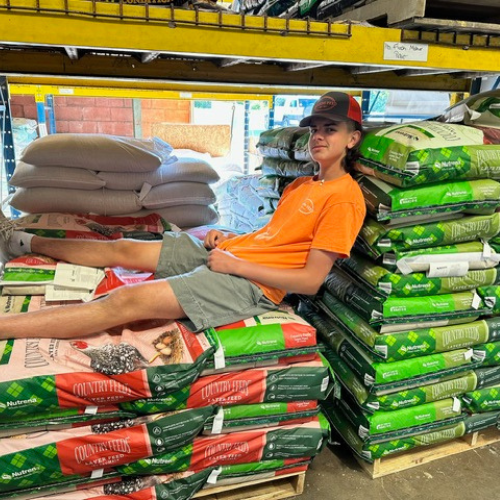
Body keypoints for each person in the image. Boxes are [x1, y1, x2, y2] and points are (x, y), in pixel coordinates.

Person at [0, 91, 366, 340]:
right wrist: (230, 240)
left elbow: (309, 281)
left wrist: (235, 266)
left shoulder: (344, 199)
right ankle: (22, 240)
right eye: (315, 129)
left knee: (128, 301)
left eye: (330, 130)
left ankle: (5, 327)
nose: (318, 137)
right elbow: (275, 240)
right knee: (124, 248)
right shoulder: (301, 186)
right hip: (234, 257)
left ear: (352, 139)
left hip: (252, 285)